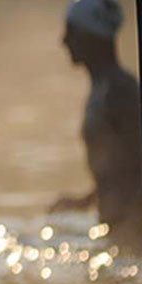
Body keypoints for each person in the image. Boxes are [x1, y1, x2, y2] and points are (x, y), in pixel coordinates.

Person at [51, 0, 142, 247]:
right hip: (116, 228)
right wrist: (84, 201)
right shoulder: (101, 89)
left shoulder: (120, 91)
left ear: (93, 37)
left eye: (72, 31)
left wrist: (132, 227)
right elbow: (119, 168)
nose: (64, 41)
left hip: (131, 231)